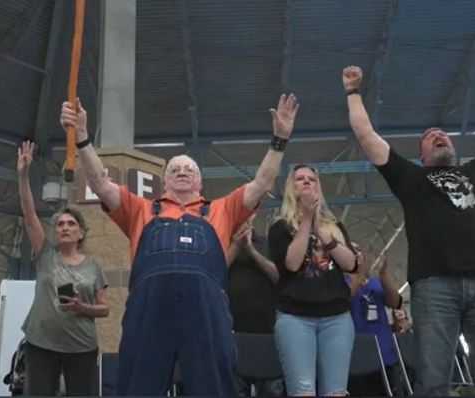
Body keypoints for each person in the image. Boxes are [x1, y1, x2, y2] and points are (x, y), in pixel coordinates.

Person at [60, 93, 299, 396]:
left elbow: (262, 183)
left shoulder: (221, 209)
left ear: (200, 182)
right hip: (148, 310)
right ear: (164, 183)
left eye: (190, 170)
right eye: (175, 170)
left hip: (206, 311)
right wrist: (81, 136)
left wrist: (279, 139)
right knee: (137, 387)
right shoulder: (141, 209)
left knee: (213, 386)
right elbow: (100, 183)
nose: (183, 173)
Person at [343, 63, 475, 396]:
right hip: (435, 287)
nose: (439, 135)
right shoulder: (411, 179)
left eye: (442, 134)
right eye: (430, 137)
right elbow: (366, 136)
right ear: (421, 155)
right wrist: (352, 92)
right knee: (433, 379)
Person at [17, 141, 110, 396]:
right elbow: (29, 214)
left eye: (71, 224)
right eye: (60, 224)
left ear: (80, 233)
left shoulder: (93, 266)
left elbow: (105, 309)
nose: (65, 227)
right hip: (41, 343)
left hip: (82, 346)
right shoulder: (46, 253)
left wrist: (83, 307)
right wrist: (23, 174)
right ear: (55, 232)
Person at [267, 164, 358, 396]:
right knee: (303, 391)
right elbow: (293, 264)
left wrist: (320, 229)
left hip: (336, 317)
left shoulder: (334, 226)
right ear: (291, 187)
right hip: (295, 317)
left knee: (336, 392)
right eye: (300, 179)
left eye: (312, 179)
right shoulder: (280, 227)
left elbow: (350, 264)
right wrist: (307, 222)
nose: (307, 182)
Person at [227, 215, 283, 396]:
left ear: (253, 215)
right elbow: (212, 276)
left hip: (267, 334)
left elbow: (281, 279)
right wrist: (235, 247)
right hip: (230, 336)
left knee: (272, 391)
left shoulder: (268, 243)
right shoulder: (221, 243)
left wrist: (252, 252)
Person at [346, 247, 403, 396]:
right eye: (352, 250)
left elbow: (395, 302)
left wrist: (383, 274)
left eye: (359, 250)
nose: (357, 253)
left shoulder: (375, 281)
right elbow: (341, 302)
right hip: (354, 359)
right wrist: (359, 276)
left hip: (384, 355)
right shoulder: (338, 282)